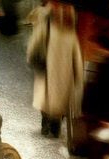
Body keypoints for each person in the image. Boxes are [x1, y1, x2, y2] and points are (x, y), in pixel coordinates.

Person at [26, 1, 83, 139]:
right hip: (52, 72)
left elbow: (76, 58)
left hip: (56, 73)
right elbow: (77, 58)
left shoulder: (62, 31)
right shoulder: (55, 29)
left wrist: (78, 76)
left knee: (52, 102)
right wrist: (78, 75)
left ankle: (51, 124)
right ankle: (50, 124)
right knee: (51, 102)